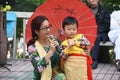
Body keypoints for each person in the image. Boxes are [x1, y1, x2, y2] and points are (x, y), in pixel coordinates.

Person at [27, 15, 65, 80]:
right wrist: (50, 52)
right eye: (45, 28)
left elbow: (63, 58)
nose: (48, 30)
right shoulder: (32, 48)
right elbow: (39, 68)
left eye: (48, 27)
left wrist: (62, 51)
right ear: (37, 31)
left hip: (59, 75)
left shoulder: (54, 40)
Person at [61, 16, 93, 80]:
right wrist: (68, 47)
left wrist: (75, 42)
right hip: (70, 66)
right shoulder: (64, 43)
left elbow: (87, 44)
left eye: (74, 29)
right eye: (68, 29)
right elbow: (63, 57)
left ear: (77, 29)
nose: (71, 31)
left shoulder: (80, 36)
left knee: (83, 77)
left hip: (81, 64)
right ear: (64, 29)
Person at [86, 0, 110, 69]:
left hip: (101, 33)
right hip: (89, 32)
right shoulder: (86, 9)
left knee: (95, 37)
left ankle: (94, 61)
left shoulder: (104, 10)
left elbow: (106, 25)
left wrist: (94, 30)